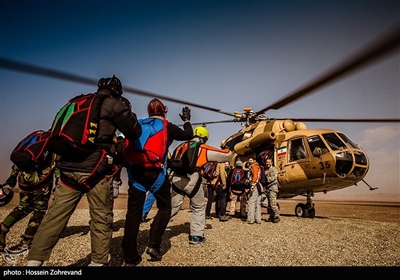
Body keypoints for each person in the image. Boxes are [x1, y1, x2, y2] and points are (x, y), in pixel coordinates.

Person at [27, 75, 143, 267]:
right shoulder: (114, 104)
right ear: (117, 92)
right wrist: (129, 115)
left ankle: (34, 262)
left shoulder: (77, 102)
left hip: (66, 171)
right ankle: (98, 262)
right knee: (100, 218)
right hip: (96, 172)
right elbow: (135, 132)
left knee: (54, 217)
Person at [121, 98, 193, 266]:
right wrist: (187, 121)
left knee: (133, 214)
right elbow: (188, 135)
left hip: (136, 173)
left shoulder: (138, 124)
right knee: (165, 208)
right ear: (164, 112)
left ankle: (129, 255)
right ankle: (153, 245)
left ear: (149, 112)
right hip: (157, 173)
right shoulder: (167, 126)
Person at [170, 126, 232, 244]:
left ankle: (156, 231)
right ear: (204, 138)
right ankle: (196, 236)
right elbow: (226, 155)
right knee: (198, 207)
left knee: (173, 207)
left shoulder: (181, 146)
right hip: (192, 179)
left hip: (177, 179)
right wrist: (228, 145)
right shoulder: (202, 147)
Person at [0, 156, 59, 253]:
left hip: (24, 178)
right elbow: (57, 164)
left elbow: (18, 160)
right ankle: (26, 241)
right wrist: (58, 181)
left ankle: (3, 227)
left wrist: (13, 176)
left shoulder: (32, 142)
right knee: (40, 210)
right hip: (42, 180)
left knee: (24, 206)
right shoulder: (53, 143)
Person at [246, 157, 263, 224]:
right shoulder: (258, 166)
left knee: (251, 202)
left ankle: (251, 219)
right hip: (259, 186)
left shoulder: (254, 167)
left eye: (251, 160)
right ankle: (258, 219)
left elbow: (255, 176)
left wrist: (252, 185)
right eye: (249, 160)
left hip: (255, 185)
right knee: (257, 203)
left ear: (254, 161)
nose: (250, 161)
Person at [264, 158, 280, 223]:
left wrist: (266, 176)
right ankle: (271, 216)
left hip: (273, 188)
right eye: (267, 162)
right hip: (268, 188)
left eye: (269, 162)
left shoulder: (273, 170)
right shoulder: (267, 170)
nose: (268, 163)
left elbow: (273, 178)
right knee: (269, 204)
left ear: (271, 163)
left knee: (273, 203)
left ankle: (277, 216)